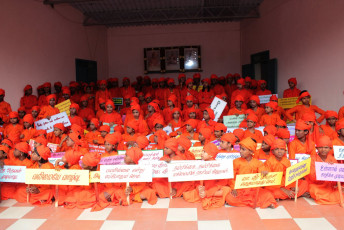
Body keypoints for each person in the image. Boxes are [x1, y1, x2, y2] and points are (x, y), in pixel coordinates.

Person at [226, 137, 277, 208]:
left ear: (251, 152)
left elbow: (263, 170)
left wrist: (264, 172)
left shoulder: (258, 163)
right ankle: (258, 202)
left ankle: (264, 202)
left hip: (253, 189)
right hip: (240, 189)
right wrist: (233, 188)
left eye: (243, 149)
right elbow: (231, 177)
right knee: (229, 198)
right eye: (240, 149)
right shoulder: (236, 162)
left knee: (268, 194)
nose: (240, 151)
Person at [183, 143, 231, 209]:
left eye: (204, 152)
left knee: (226, 190)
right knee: (187, 196)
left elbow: (222, 183)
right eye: (202, 151)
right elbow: (197, 180)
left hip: (215, 189)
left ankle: (208, 195)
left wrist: (208, 193)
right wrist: (199, 187)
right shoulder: (201, 164)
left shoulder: (218, 166)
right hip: (204, 189)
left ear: (211, 155)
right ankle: (205, 194)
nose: (201, 153)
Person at [306, 135, 343, 204]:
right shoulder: (312, 159)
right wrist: (323, 169)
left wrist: (331, 169)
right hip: (317, 186)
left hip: (329, 186)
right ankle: (329, 198)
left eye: (326, 148)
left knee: (339, 191)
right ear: (317, 148)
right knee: (313, 190)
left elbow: (336, 177)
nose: (323, 150)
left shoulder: (332, 159)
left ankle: (328, 198)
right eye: (321, 147)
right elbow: (312, 177)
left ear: (330, 149)